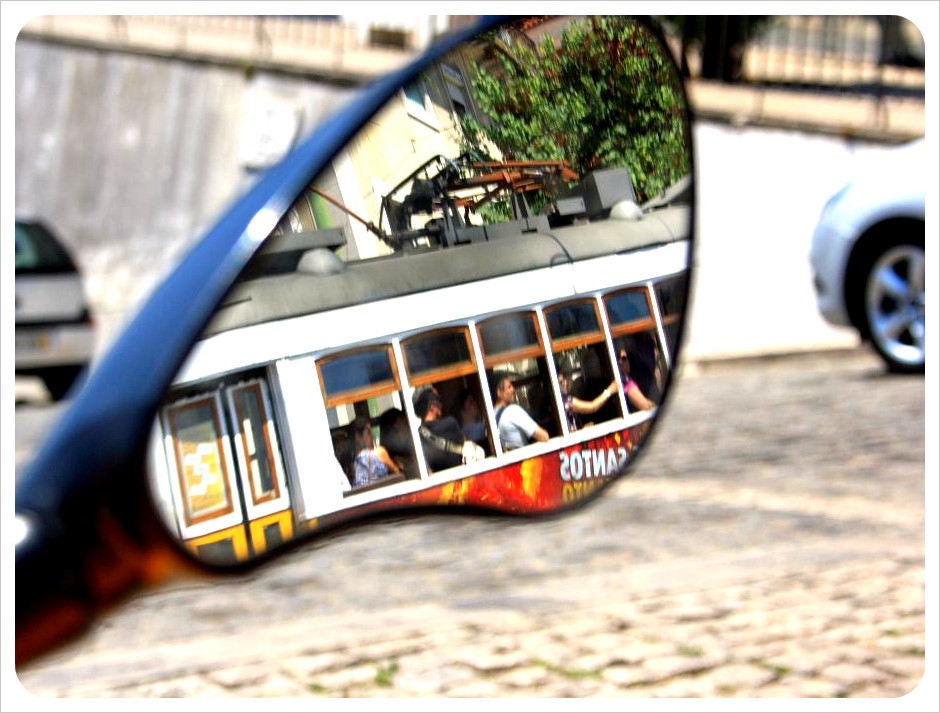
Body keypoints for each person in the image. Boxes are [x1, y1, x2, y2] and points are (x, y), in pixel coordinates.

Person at [413, 386, 483, 472]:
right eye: (438, 400)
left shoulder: (417, 436)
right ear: (432, 406)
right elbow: (466, 442)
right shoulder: (449, 423)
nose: (441, 404)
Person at [492, 373, 550, 450]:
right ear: (499, 393)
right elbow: (544, 436)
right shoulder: (513, 411)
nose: (513, 389)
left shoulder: (491, 415)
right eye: (509, 387)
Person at [350, 416, 400, 488]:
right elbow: (397, 473)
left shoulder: (350, 463)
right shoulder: (378, 452)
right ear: (358, 437)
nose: (372, 436)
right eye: (369, 433)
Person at [616, 342, 656, 412]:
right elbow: (645, 405)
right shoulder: (625, 382)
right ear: (618, 363)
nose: (627, 361)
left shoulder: (629, 379)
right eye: (624, 358)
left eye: (627, 357)